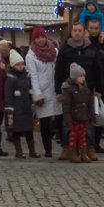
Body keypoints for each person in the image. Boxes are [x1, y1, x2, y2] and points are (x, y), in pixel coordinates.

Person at [26, 27, 63, 158]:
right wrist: (37, 94)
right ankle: (48, 149)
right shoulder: (31, 55)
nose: (40, 39)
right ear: (34, 39)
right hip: (42, 91)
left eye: (42, 36)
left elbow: (59, 69)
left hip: (55, 89)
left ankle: (65, 148)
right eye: (37, 37)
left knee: (60, 118)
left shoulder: (55, 50)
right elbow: (33, 76)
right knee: (45, 122)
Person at [83, 18, 104, 154]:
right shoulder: (84, 44)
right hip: (87, 83)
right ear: (87, 28)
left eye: (96, 28)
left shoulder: (102, 43)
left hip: (101, 83)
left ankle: (96, 142)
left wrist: (101, 43)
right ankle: (88, 143)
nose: (94, 31)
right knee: (87, 115)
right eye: (91, 28)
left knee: (99, 115)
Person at [5, 50, 36, 158]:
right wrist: (9, 111)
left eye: (22, 64)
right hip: (16, 108)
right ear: (13, 65)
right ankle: (19, 151)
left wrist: (33, 103)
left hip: (26, 106)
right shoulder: (11, 78)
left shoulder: (27, 76)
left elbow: (30, 89)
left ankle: (32, 151)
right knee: (16, 130)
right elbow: (8, 95)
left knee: (29, 130)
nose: (21, 66)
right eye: (18, 64)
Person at [61, 63, 94, 163]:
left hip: (84, 117)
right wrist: (68, 119)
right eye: (80, 76)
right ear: (74, 77)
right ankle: (73, 153)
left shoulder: (86, 89)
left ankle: (83, 153)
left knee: (83, 136)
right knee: (73, 136)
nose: (83, 78)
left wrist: (91, 115)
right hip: (74, 117)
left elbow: (89, 104)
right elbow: (66, 106)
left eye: (83, 76)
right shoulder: (69, 90)